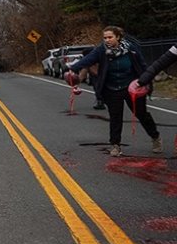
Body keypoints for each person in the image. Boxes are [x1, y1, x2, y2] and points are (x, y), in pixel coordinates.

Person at [69, 25, 161, 157]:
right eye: (105, 38)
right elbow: (87, 60)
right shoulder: (101, 50)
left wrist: (146, 81)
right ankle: (115, 145)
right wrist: (73, 68)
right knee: (115, 117)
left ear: (118, 37)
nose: (107, 40)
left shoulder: (131, 49)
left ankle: (155, 137)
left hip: (132, 88)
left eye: (110, 37)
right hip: (111, 89)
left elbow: (142, 65)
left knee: (141, 114)